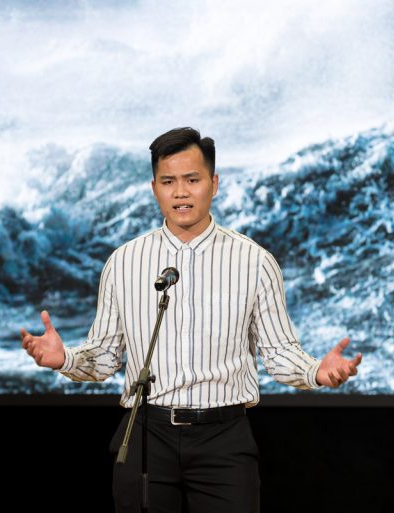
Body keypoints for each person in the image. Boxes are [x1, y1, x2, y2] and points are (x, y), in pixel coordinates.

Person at [20, 127, 362, 513]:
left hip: (224, 439)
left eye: (192, 180)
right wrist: (65, 359)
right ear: (154, 188)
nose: (180, 192)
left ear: (213, 184)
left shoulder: (254, 262)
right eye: (168, 182)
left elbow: (279, 353)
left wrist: (317, 371)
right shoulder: (124, 262)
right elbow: (104, 357)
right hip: (147, 435)